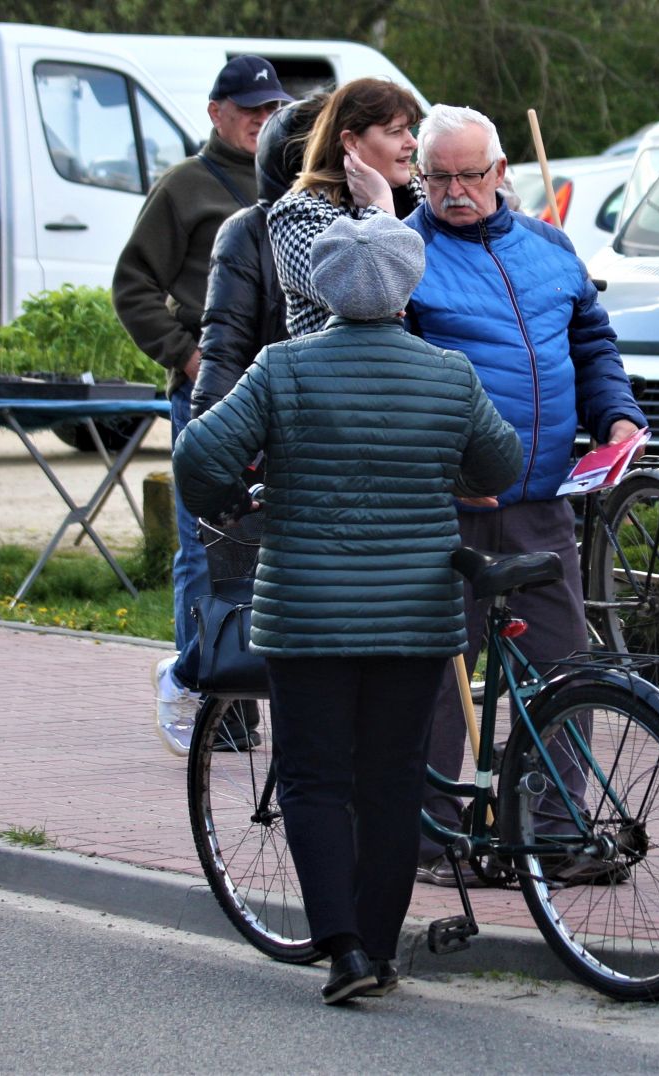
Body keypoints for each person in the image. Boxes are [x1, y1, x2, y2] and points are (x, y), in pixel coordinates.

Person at [172, 212, 522, 1005]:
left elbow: (199, 455)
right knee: (392, 782)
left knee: (314, 778)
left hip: (306, 616)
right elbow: (503, 459)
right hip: (416, 617)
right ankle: (383, 947)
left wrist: (230, 495)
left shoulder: (280, 369)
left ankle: (343, 953)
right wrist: (450, 469)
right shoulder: (448, 373)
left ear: (317, 284)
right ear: (410, 284)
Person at [401, 104, 645, 887]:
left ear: (501, 173)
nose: (455, 191)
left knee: (563, 669)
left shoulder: (550, 247)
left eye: (470, 175)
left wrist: (616, 416)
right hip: (451, 507)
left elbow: (591, 342)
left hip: (543, 501)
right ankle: (436, 842)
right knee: (443, 679)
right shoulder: (406, 251)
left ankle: (557, 830)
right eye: (438, 176)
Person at [111, 55, 293, 756]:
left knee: (269, 544)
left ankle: (246, 685)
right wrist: (186, 356)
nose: (260, 119)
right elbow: (132, 286)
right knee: (206, 544)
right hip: (212, 392)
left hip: (277, 389)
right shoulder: (183, 188)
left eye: (270, 107)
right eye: (248, 109)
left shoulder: (293, 181)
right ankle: (205, 684)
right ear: (216, 113)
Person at [193, 92, 329, 417]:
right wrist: (207, 442)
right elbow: (225, 351)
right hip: (282, 428)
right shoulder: (250, 231)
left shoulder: (380, 221)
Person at [268, 77, 424, 339]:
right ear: (351, 141)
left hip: (426, 373)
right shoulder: (297, 214)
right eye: (396, 132)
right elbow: (364, 298)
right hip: (343, 375)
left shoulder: (423, 197)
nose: (412, 142)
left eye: (410, 130)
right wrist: (381, 208)